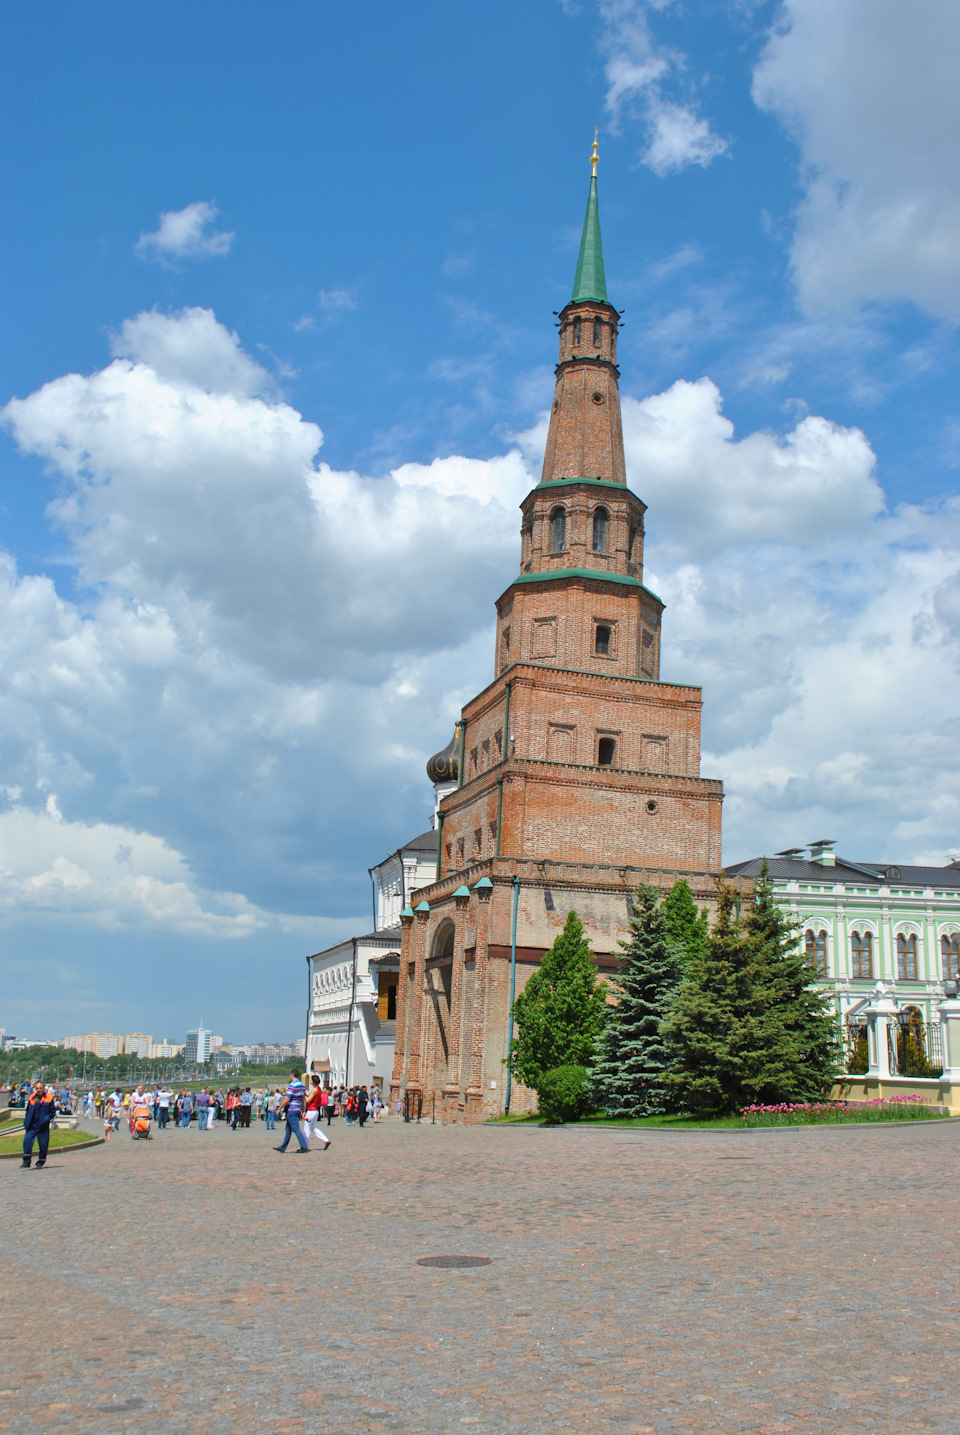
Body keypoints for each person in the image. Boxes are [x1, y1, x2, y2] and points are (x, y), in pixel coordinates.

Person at [22, 1081, 57, 1169]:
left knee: (43, 1144)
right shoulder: (32, 1097)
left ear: (43, 1088)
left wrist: (46, 1119)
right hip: (32, 1125)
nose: (38, 1090)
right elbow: (28, 1110)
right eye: (37, 1088)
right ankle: (26, 1161)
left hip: (43, 1126)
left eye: (40, 1088)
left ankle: (41, 1161)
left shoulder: (49, 1098)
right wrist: (26, 1121)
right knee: (27, 1142)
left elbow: (52, 1112)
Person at [274, 1069, 310, 1153]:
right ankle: (283, 1147)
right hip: (298, 1108)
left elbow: (287, 1099)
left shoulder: (292, 1085)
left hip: (292, 1109)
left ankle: (304, 1146)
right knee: (288, 1129)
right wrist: (304, 1110)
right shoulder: (302, 1085)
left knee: (296, 1128)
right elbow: (303, 1099)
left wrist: (279, 1109)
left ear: (292, 1075)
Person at [302, 1075, 332, 1150]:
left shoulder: (315, 1089)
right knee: (313, 1128)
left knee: (307, 1127)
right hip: (315, 1110)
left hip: (311, 1110)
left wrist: (303, 1095)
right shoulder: (318, 1089)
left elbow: (308, 1100)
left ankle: (305, 1145)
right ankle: (326, 1140)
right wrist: (305, 1093)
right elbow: (309, 1095)